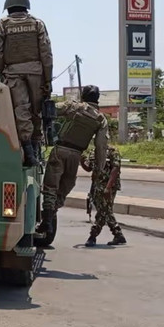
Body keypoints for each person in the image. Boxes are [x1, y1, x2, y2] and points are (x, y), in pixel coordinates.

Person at [0, 0, 53, 166]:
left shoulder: (1, 25)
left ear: (8, 8)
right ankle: (36, 149)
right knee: (36, 112)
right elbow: (46, 53)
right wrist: (47, 79)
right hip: (37, 73)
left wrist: (4, 70)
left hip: (13, 73)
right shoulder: (37, 24)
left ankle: (28, 154)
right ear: (26, 6)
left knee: (21, 111)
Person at [39, 85, 108, 238]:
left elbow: (51, 110)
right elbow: (101, 147)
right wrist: (99, 169)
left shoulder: (74, 106)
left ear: (83, 96)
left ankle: (48, 217)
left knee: (51, 186)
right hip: (76, 155)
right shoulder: (100, 119)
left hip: (61, 150)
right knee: (65, 186)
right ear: (97, 99)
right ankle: (51, 214)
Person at [82, 145, 126, 247]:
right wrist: (82, 161)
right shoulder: (94, 151)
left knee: (103, 210)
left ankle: (93, 236)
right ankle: (118, 234)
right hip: (97, 186)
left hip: (108, 187)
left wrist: (108, 187)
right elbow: (89, 168)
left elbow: (115, 169)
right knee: (106, 210)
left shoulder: (112, 151)